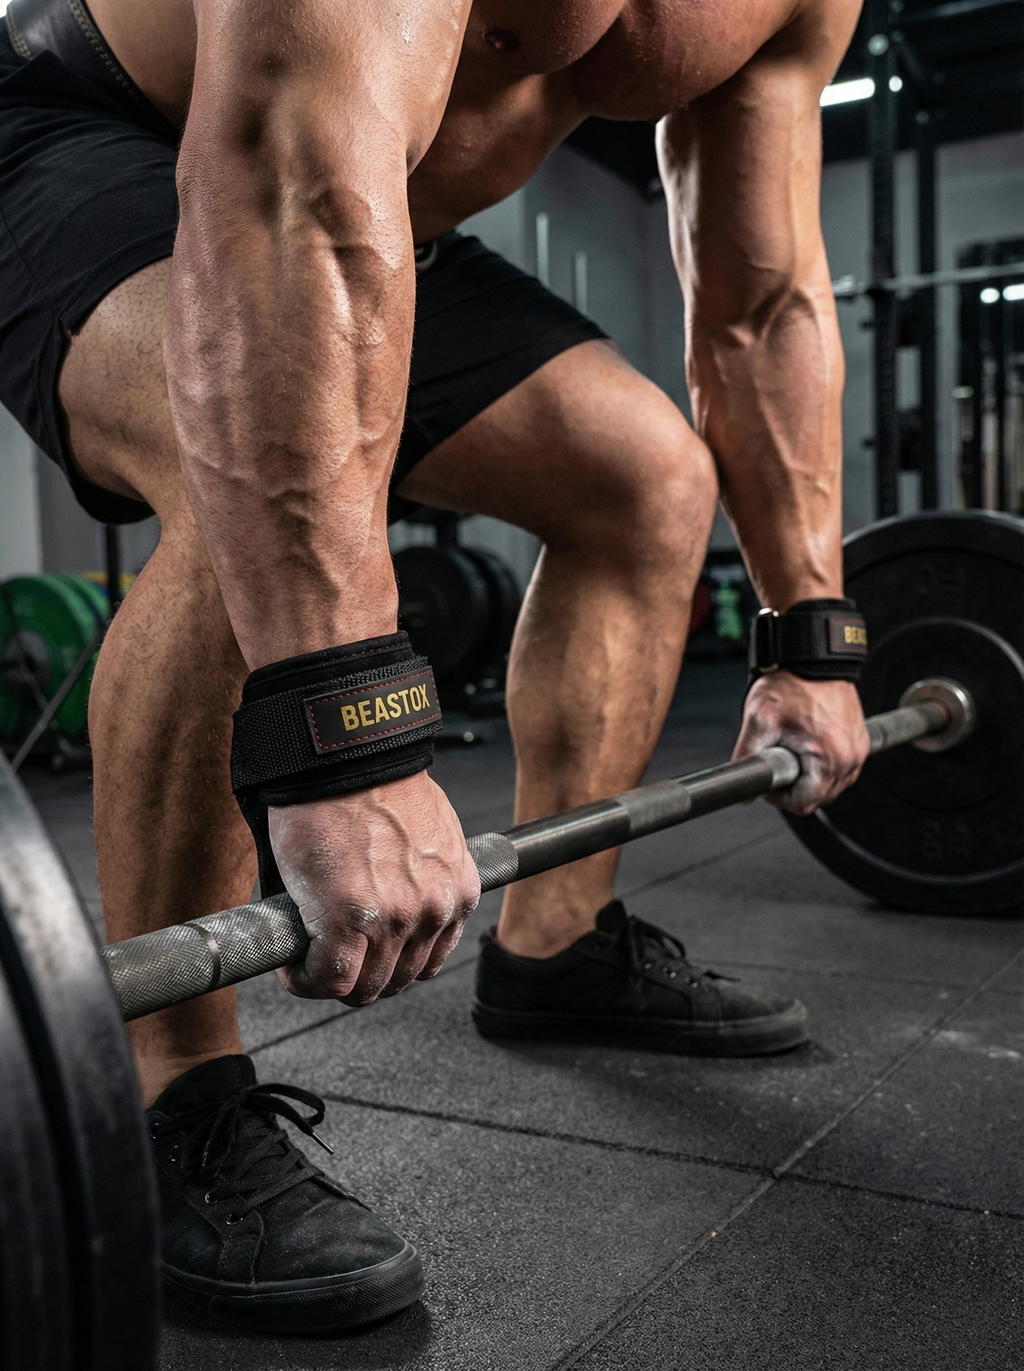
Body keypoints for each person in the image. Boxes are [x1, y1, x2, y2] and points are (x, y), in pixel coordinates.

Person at [0, 0, 870, 1334]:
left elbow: (764, 300)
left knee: (645, 483)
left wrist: (813, 632)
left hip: (372, 193)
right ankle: (165, 1083)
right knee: (233, 452)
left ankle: (558, 942)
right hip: (94, 133)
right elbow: (288, 178)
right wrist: (344, 726)